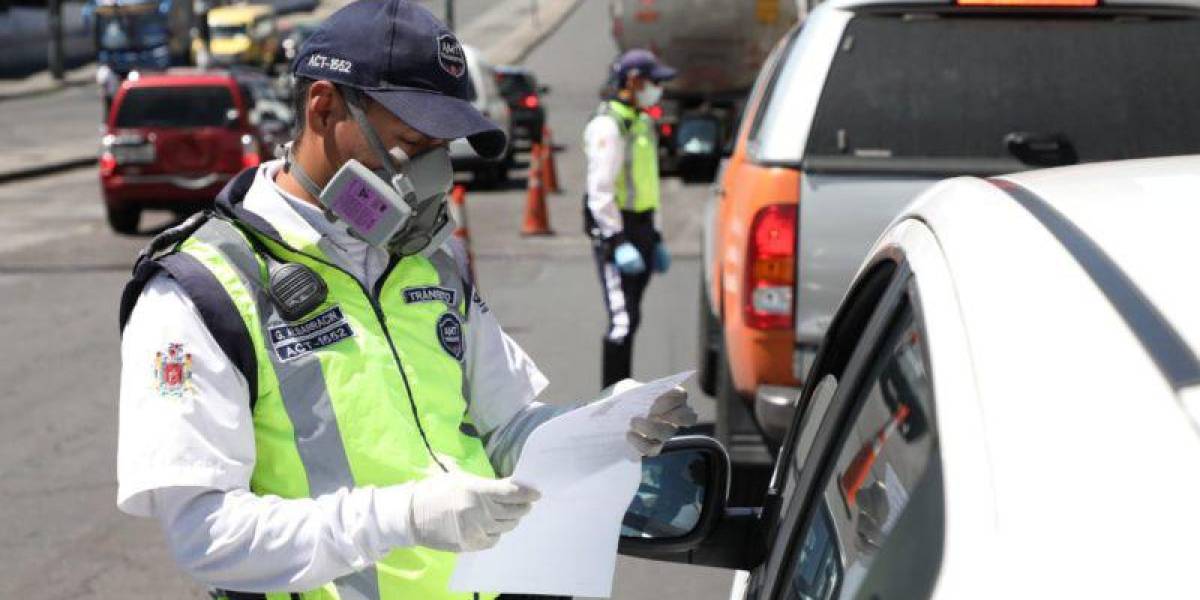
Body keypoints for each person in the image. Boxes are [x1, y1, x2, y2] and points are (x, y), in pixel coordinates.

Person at [115, 2, 697, 599]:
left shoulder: (430, 260)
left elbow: (506, 429)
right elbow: (207, 536)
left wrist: (598, 429)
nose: (430, 177)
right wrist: (405, 517)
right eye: (410, 143)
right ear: (323, 107)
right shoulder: (201, 287)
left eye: (440, 150)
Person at [583, 49, 677, 388]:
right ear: (633, 80)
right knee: (622, 322)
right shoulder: (609, 125)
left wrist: (657, 236)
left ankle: (622, 397)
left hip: (643, 230)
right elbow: (600, 190)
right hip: (619, 235)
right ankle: (611, 404)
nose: (658, 89)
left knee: (633, 319)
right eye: (654, 81)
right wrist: (617, 241)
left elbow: (648, 185)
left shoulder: (641, 120)